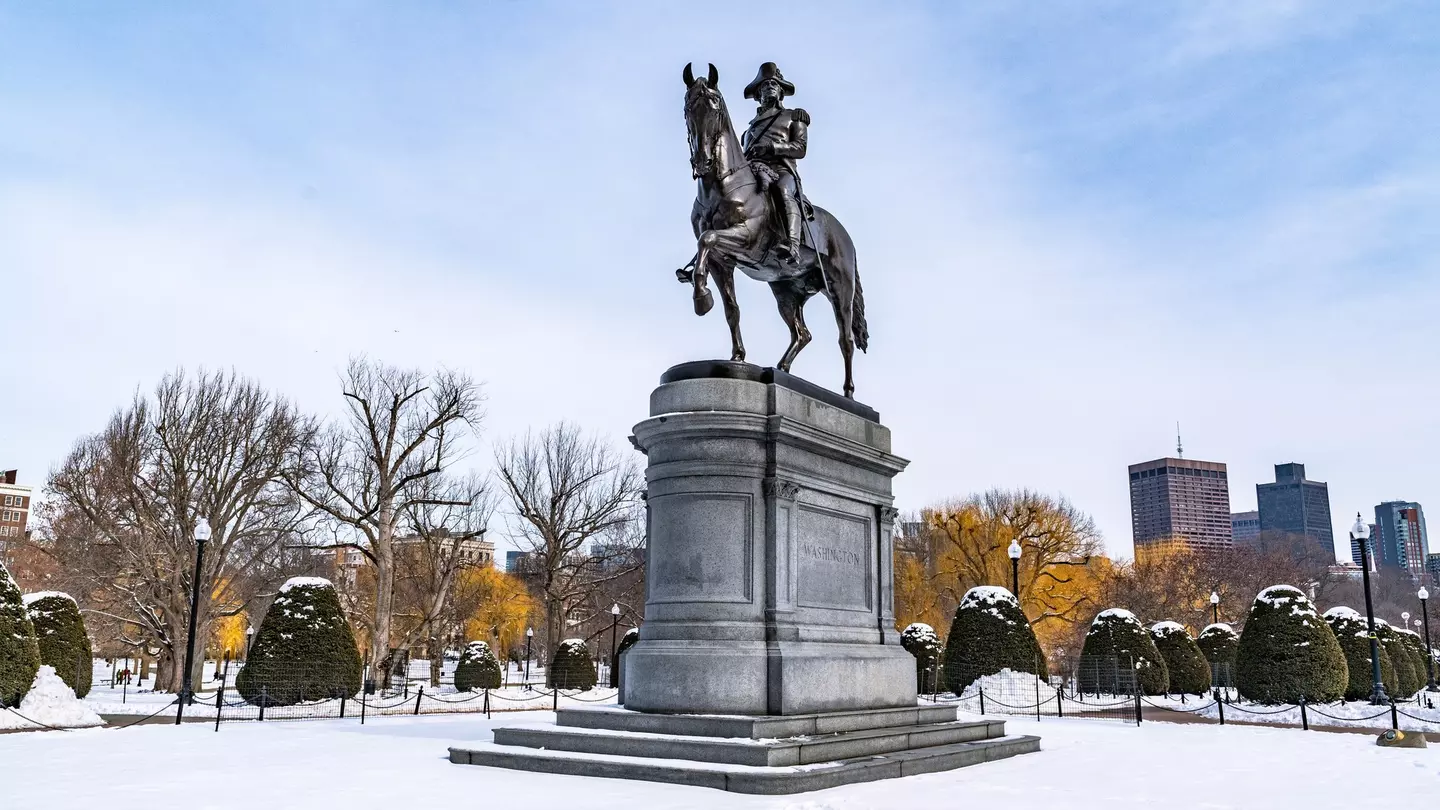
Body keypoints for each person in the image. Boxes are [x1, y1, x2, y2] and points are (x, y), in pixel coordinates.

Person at [741, 62, 809, 264]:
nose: (769, 87)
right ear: (758, 94)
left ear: (780, 91)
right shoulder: (748, 131)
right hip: (754, 172)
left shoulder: (793, 116)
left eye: (774, 84)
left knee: (782, 191)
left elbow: (800, 148)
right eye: (764, 85)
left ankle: (793, 246)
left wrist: (771, 148)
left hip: (781, 171)